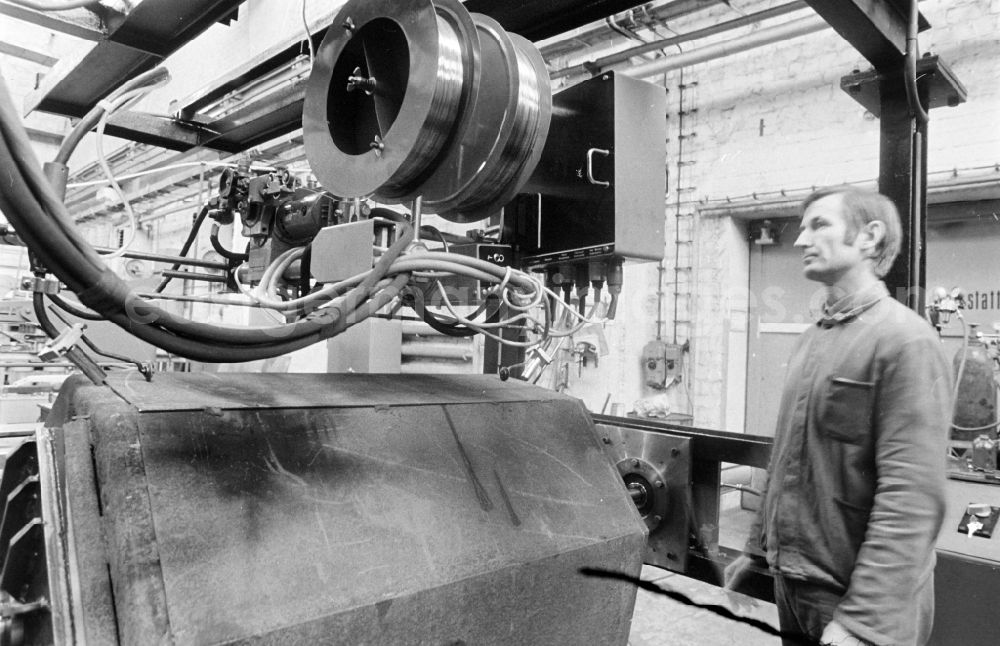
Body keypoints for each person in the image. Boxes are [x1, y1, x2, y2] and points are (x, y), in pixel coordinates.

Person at [724, 186, 952, 646]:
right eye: (803, 227)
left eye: (819, 224)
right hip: (798, 585)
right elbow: (786, 460)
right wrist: (757, 552)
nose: (800, 240)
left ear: (869, 237)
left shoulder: (905, 341)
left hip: (854, 599)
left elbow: (912, 497)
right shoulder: (813, 339)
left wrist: (862, 622)